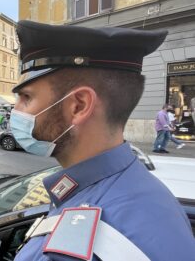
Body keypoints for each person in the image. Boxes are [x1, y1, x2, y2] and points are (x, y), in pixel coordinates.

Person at [11, 21, 195, 261]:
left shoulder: (72, 252)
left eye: (26, 97)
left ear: (79, 106)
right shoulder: (150, 194)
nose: (15, 109)